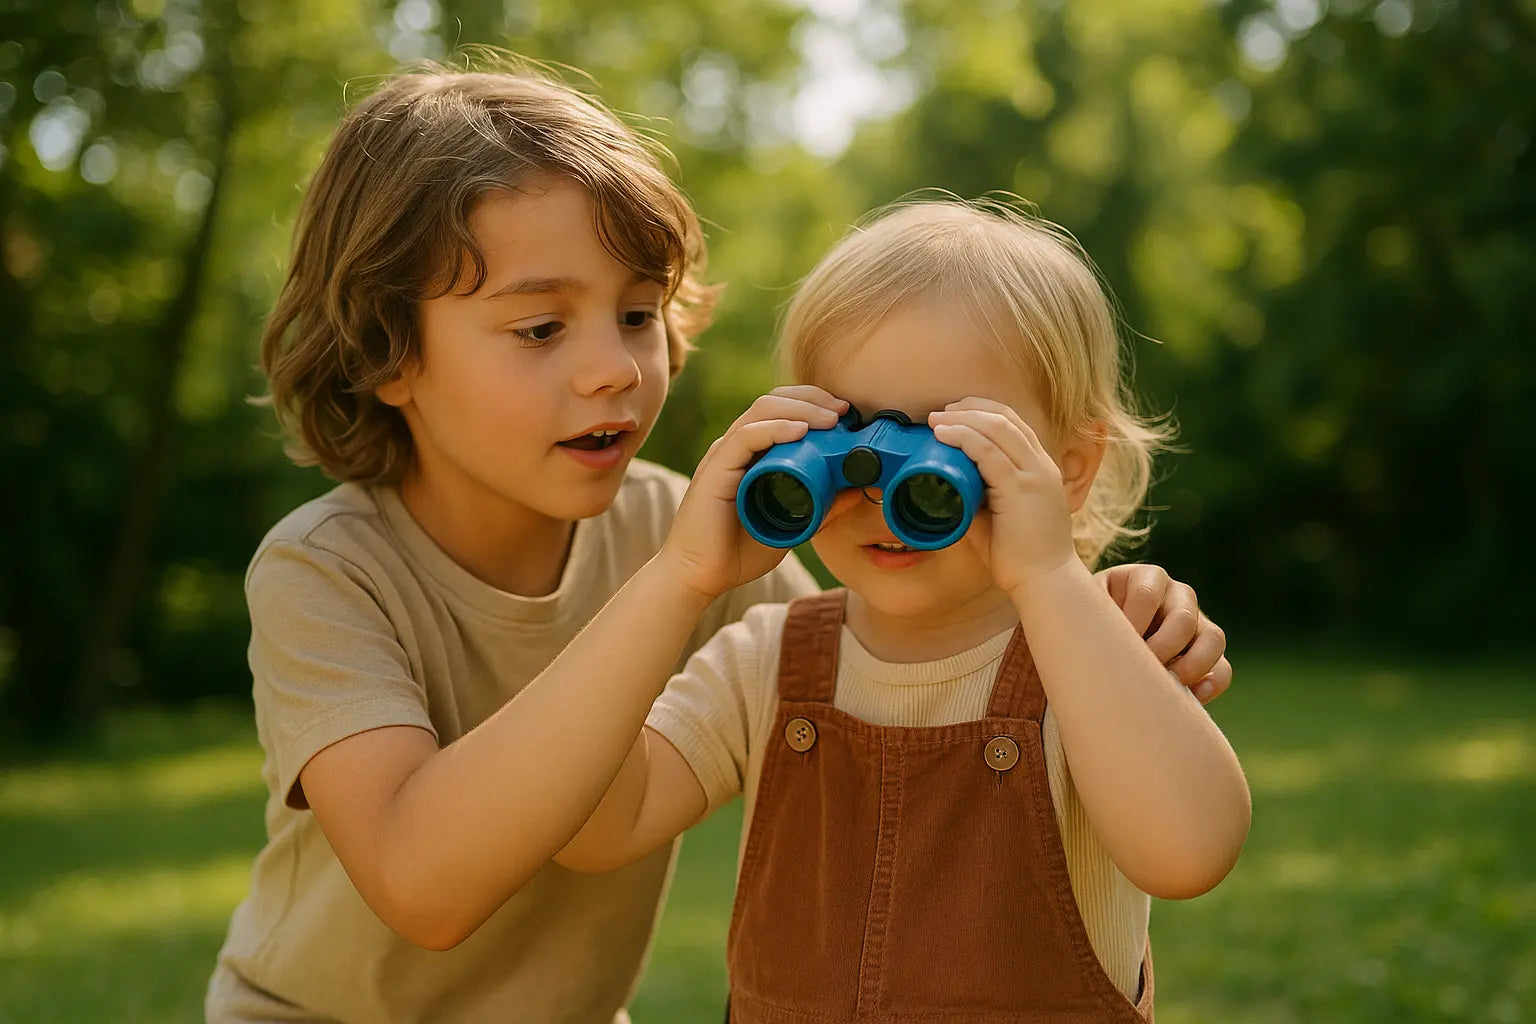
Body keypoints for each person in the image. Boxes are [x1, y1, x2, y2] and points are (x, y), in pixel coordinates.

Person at [206, 59, 1234, 1024]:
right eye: (540, 328)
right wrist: (682, 578)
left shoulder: (687, 539)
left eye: (639, 314)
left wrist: (1097, 601)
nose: (614, 368)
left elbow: (911, 645)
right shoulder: (328, 568)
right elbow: (437, 880)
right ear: (390, 352)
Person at [554, 198, 1251, 1022]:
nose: (883, 495)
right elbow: (587, 827)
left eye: (945, 450)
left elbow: (1190, 853)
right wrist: (680, 577)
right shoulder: (766, 662)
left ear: (1066, 469)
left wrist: (1053, 578)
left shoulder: (1096, 661)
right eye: (842, 439)